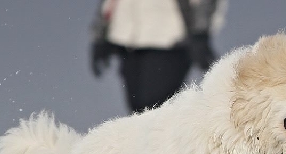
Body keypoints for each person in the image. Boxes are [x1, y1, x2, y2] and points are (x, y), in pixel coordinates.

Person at [90, 0, 226, 114]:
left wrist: (200, 32)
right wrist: (102, 32)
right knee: (138, 113)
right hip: (127, 40)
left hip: (170, 40)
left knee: (155, 113)